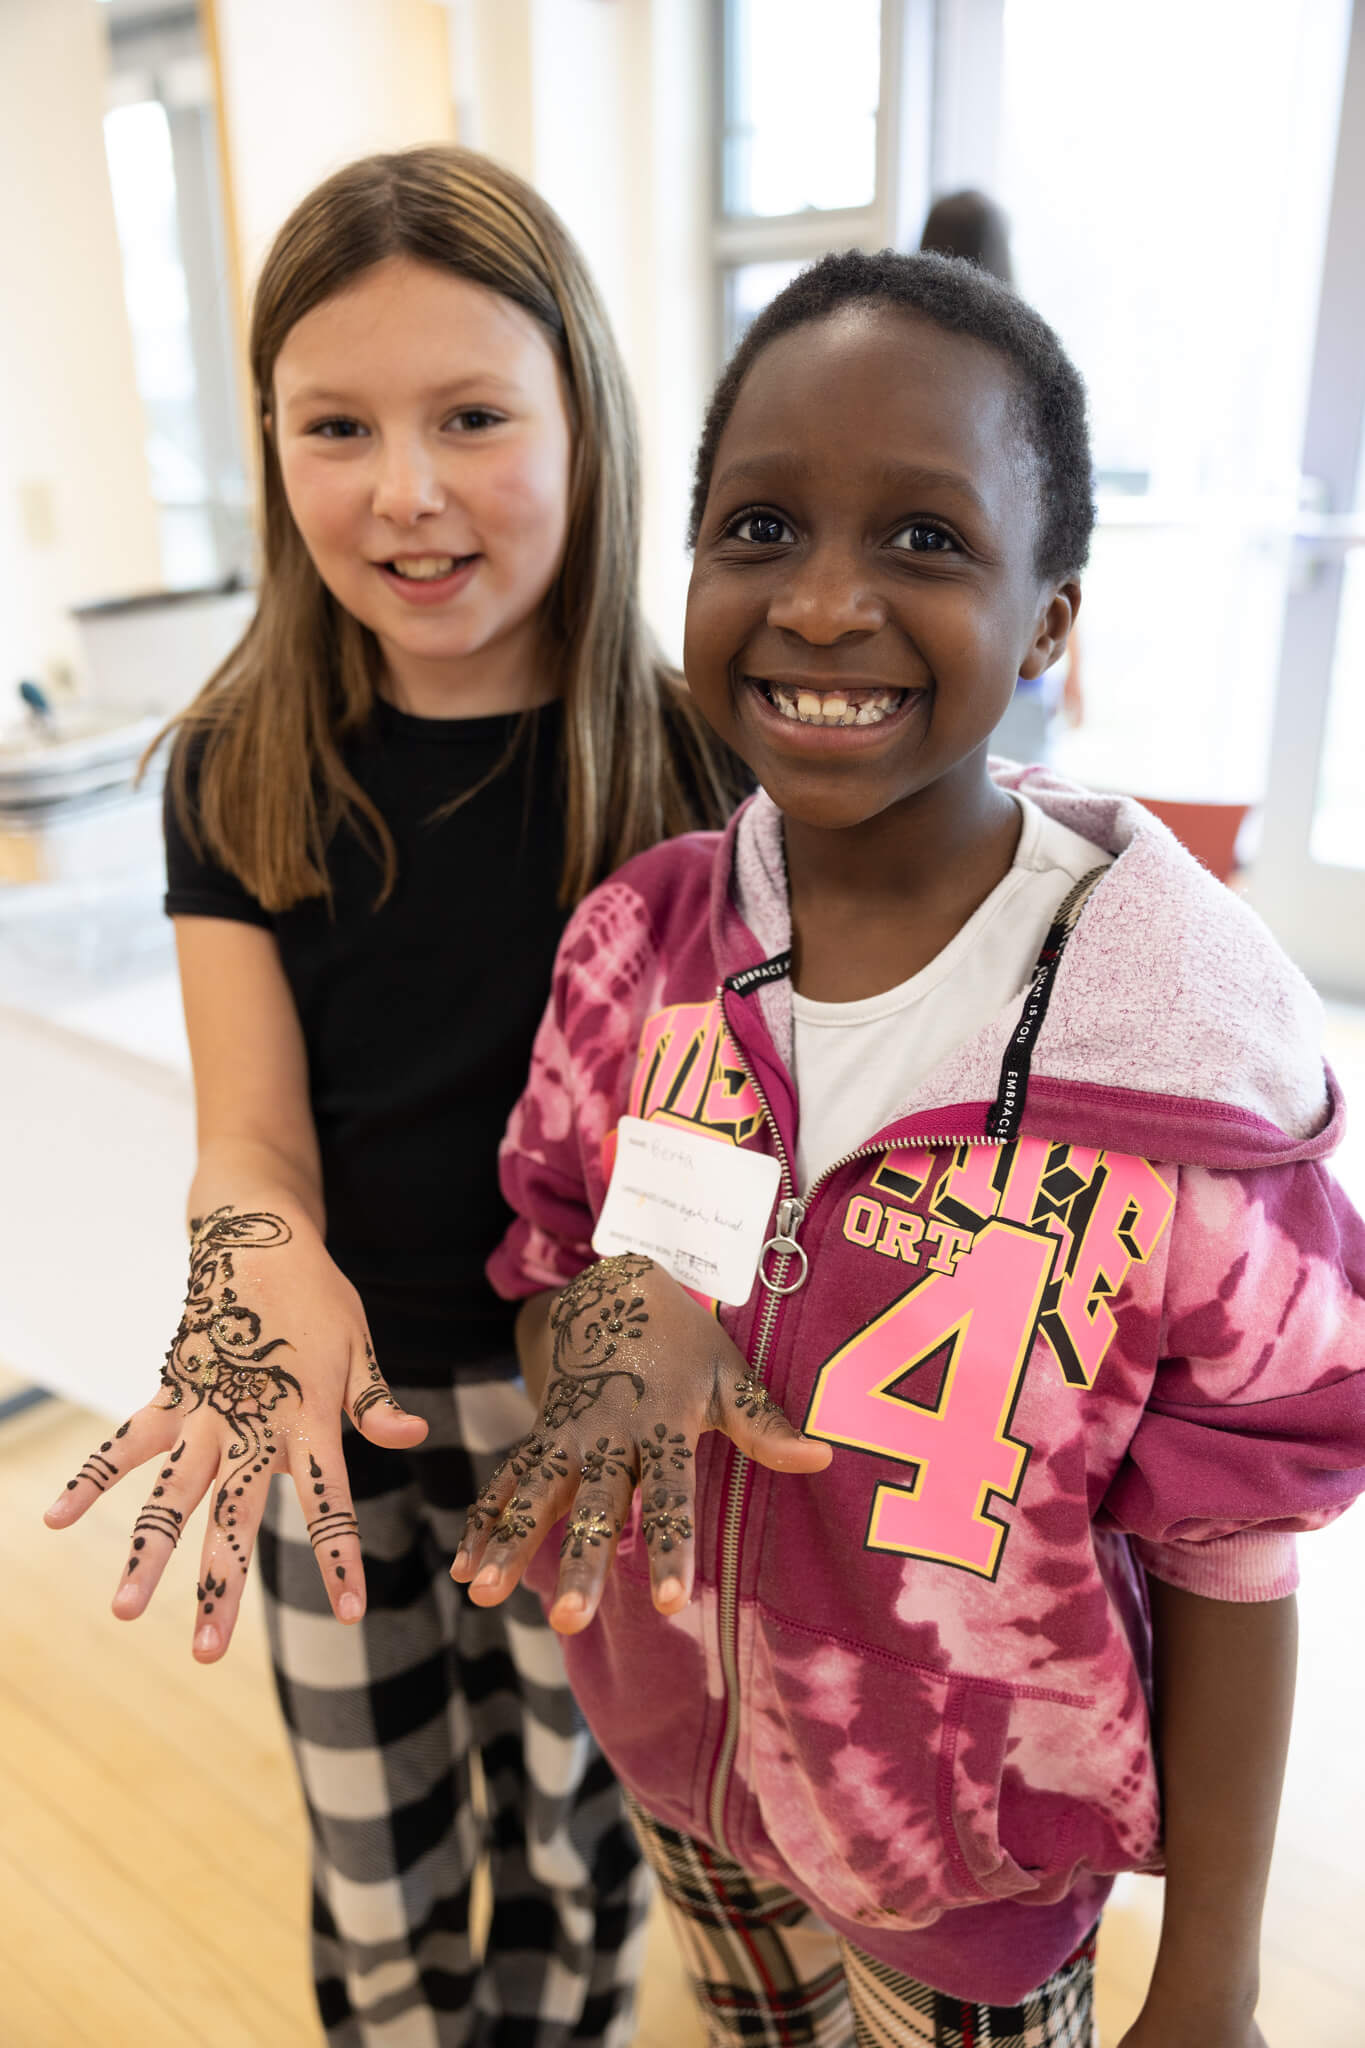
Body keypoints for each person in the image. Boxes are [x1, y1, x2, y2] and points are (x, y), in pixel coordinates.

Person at [453, 249, 1365, 2047]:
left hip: (972, 1865)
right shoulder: (640, 950)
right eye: (763, 528)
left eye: (928, 542)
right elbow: (556, 1272)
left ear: (1048, 622)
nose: (826, 601)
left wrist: (1216, 1978)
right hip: (684, 1760)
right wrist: (613, 1325)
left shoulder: (1183, 1086)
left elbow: (1238, 1553)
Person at [44, 145, 744, 2047]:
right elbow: (250, 1133)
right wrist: (253, 1251)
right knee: (380, 1868)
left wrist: (656, 1307)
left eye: (471, 417)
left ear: (584, 422)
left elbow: (723, 1125)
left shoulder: (691, 761)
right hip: (325, 1414)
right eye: (335, 424)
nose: (406, 490)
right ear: (269, 441)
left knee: (585, 1841)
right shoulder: (235, 764)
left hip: (594, 1401)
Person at [921, 189, 1083, 762]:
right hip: (1011, 660)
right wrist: (1071, 663)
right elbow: (1059, 546)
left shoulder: (900, 372)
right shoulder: (1031, 380)